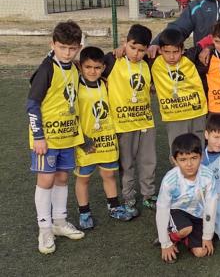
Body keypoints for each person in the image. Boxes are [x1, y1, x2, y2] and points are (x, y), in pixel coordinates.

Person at [28, 21, 86, 254]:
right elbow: (32, 105)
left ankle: (60, 222)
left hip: (67, 137)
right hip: (47, 139)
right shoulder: (46, 69)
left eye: (72, 48)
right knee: (46, 180)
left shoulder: (74, 67)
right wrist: (39, 137)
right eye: (62, 47)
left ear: (79, 47)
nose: (67, 53)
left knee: (62, 178)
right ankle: (45, 229)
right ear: (53, 44)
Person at [74, 46, 136, 230]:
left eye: (97, 67)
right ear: (80, 67)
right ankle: (84, 212)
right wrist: (82, 140)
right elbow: (72, 116)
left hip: (107, 139)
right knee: (83, 178)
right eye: (88, 67)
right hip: (86, 142)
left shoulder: (106, 83)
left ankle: (114, 206)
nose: (92, 71)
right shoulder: (76, 87)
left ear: (102, 67)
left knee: (109, 174)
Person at [104, 24, 157, 210]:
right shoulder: (112, 60)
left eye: (141, 50)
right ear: (125, 43)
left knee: (148, 160)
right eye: (132, 47)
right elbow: (91, 69)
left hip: (146, 122)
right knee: (126, 163)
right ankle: (128, 196)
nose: (136, 53)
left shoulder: (148, 62)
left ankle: (148, 194)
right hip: (123, 124)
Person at [155, 133, 217, 263]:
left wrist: (207, 236)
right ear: (174, 160)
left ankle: (185, 238)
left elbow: (210, 206)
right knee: (185, 228)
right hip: (176, 210)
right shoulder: (170, 180)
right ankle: (172, 236)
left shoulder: (208, 176)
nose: (189, 164)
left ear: (201, 157)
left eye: (194, 158)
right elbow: (162, 209)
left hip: (198, 214)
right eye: (183, 160)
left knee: (201, 252)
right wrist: (165, 243)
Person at [151, 28, 207, 149]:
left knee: (198, 149)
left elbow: (207, 40)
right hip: (174, 116)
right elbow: (133, 51)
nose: (171, 56)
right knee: (177, 150)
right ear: (160, 50)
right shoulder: (153, 61)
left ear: (182, 50)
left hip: (197, 113)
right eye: (167, 52)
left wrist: (209, 48)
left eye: (176, 52)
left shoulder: (190, 57)